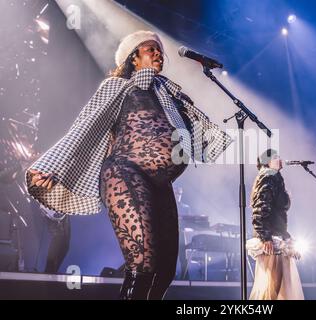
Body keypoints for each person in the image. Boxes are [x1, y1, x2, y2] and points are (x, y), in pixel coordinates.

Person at [25, 30, 231, 299]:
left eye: (159, 50)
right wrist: (53, 165)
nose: (158, 54)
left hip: (161, 182)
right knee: (143, 264)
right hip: (126, 173)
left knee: (166, 270)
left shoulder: (167, 93)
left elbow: (192, 131)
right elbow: (83, 127)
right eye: (150, 49)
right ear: (134, 58)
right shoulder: (117, 86)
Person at [247, 149, 304, 300]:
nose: (280, 159)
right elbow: (260, 207)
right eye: (276, 157)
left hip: (276, 236)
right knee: (271, 288)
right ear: (267, 162)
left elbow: (275, 213)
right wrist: (266, 237)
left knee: (278, 288)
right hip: (271, 239)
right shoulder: (268, 176)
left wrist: (287, 237)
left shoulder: (275, 177)